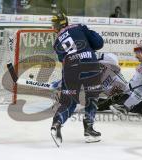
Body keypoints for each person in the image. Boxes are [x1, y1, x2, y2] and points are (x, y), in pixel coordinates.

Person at [50, 12, 104, 147]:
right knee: (92, 98)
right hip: (89, 65)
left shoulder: (57, 42)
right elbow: (98, 43)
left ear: (56, 26)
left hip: (70, 70)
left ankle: (57, 124)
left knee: (68, 102)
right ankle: (89, 130)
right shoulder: (79, 27)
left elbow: (63, 60)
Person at [96, 53, 142, 118]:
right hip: (114, 91)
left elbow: (113, 61)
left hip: (121, 92)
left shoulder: (105, 61)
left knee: (122, 99)